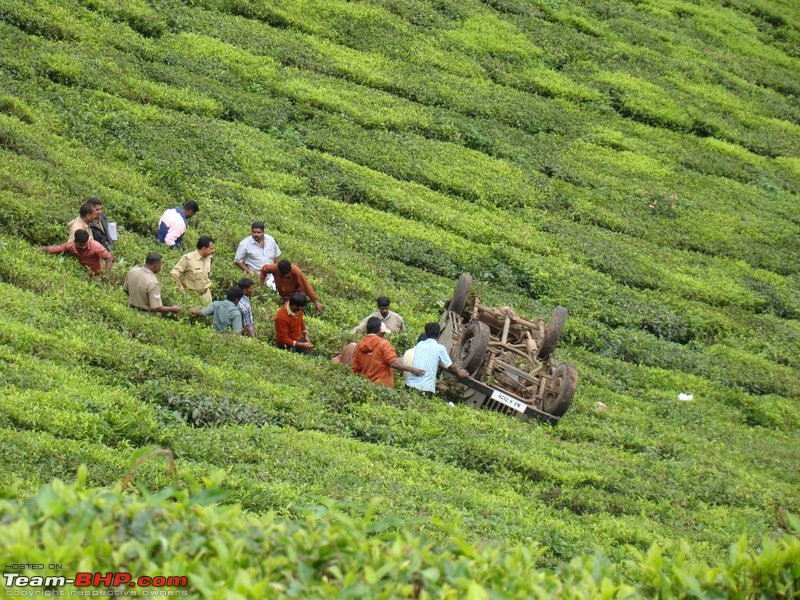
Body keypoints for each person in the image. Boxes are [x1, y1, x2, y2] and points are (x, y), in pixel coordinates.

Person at [352, 317, 422, 387]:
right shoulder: (383, 344)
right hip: (383, 387)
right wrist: (412, 369)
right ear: (379, 331)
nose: (384, 336)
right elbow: (392, 362)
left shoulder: (359, 345)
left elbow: (356, 369)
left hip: (367, 387)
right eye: (383, 333)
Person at [405, 322, 469, 396]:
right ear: (439, 334)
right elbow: (451, 367)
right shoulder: (440, 348)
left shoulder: (419, 345)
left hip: (409, 386)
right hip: (425, 389)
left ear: (426, 333)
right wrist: (459, 372)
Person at [260, 259, 324, 313]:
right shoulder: (273, 268)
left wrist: (315, 302)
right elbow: (264, 269)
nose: (286, 276)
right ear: (279, 271)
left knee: (296, 310)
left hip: (296, 294)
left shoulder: (296, 271)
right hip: (284, 295)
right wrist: (261, 283)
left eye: (288, 274)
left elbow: (306, 286)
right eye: (284, 274)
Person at [41, 230, 113, 276]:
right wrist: (40, 249)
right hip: (81, 274)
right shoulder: (70, 246)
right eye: (81, 245)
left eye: (85, 244)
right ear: (75, 241)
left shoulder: (96, 246)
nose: (83, 247)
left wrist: (107, 275)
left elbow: (109, 258)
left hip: (96, 275)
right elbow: (56, 249)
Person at [234, 222, 281, 290]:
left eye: (259, 232)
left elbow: (276, 256)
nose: (256, 234)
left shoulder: (270, 240)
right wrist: (250, 272)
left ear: (263, 232)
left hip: (272, 275)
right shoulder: (244, 244)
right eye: (254, 232)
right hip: (257, 276)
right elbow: (238, 261)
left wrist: (278, 271)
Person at [170, 236, 214, 304]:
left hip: (206, 296)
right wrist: (181, 289)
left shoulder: (209, 259)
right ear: (203, 248)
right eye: (211, 249)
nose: (213, 251)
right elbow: (174, 273)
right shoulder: (188, 259)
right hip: (192, 297)